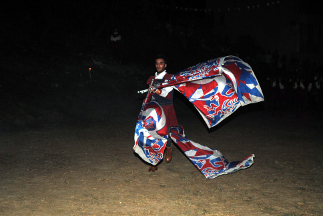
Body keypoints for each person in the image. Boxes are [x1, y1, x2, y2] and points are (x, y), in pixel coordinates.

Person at [146, 55, 178, 172]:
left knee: (166, 134)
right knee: (153, 136)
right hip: (154, 109)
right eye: (157, 63)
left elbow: (165, 93)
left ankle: (169, 148)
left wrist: (156, 90)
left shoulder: (170, 78)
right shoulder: (152, 79)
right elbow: (149, 95)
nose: (158, 65)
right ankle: (154, 162)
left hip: (166, 108)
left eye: (161, 63)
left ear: (165, 65)